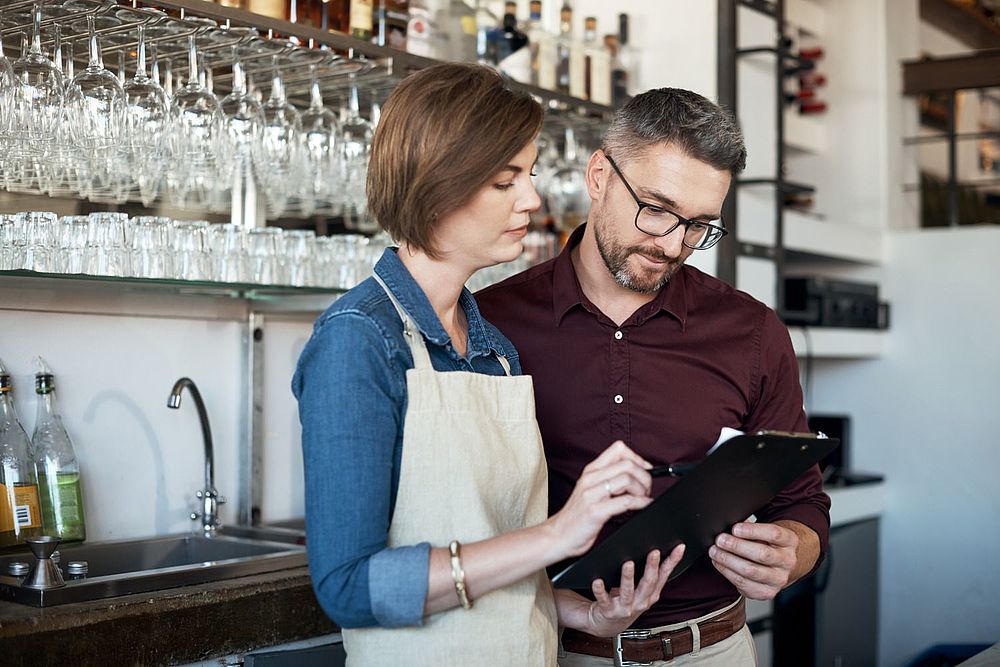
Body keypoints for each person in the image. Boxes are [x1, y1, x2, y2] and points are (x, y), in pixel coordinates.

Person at [292, 63, 685, 666]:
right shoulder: (359, 340)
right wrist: (558, 533)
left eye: (527, 175)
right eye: (506, 182)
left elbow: (493, 554)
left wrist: (580, 612)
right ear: (438, 185)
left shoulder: (494, 347)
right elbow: (349, 587)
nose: (532, 198)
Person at [476, 87, 832, 665]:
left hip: (714, 649)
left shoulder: (752, 331)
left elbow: (802, 500)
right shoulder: (493, 321)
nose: (672, 244)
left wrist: (794, 551)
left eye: (698, 226)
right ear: (599, 176)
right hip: (550, 649)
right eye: (657, 209)